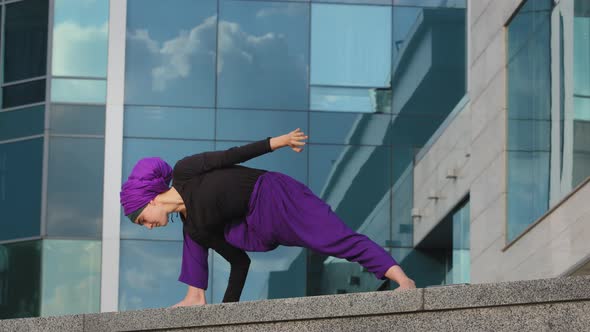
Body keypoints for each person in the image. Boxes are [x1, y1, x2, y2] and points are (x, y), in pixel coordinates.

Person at [119, 128, 415, 307]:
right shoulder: (195, 228)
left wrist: (280, 141)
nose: (148, 225)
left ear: (151, 198)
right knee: (193, 234)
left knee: (337, 240)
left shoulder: (186, 170)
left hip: (277, 195)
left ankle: (402, 280)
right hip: (259, 227)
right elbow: (239, 261)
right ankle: (195, 295)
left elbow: (232, 156)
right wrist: (227, 313)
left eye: (142, 218)